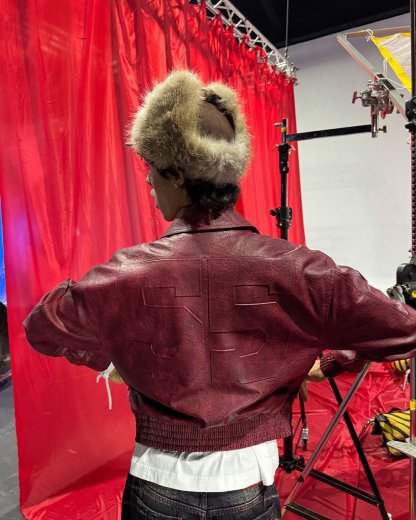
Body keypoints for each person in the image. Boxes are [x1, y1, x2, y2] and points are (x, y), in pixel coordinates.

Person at [24, 70, 416, 520]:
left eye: (151, 168)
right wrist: (327, 361)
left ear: (176, 173)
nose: (148, 182)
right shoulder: (299, 268)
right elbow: (403, 328)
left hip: (156, 484)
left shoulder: (128, 272)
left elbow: (43, 326)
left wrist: (115, 361)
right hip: (249, 485)